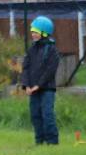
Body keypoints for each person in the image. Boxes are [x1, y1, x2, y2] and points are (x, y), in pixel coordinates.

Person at [21, 16, 60, 145]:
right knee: (35, 115)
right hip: (32, 89)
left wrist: (39, 85)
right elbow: (25, 67)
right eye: (32, 32)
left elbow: (50, 70)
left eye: (35, 32)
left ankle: (52, 141)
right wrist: (26, 85)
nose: (33, 34)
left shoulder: (52, 50)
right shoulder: (32, 49)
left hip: (46, 89)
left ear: (44, 33)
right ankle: (39, 140)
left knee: (47, 114)